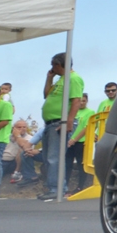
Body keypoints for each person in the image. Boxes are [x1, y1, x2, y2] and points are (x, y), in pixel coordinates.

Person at [39, 54, 85, 199]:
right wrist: (49, 78)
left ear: (59, 65)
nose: (52, 68)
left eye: (54, 65)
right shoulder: (61, 79)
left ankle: (57, 189)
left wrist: (68, 122)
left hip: (60, 122)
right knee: (48, 157)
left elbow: (76, 101)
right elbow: (46, 94)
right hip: (50, 123)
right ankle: (53, 187)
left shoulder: (74, 78)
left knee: (54, 157)